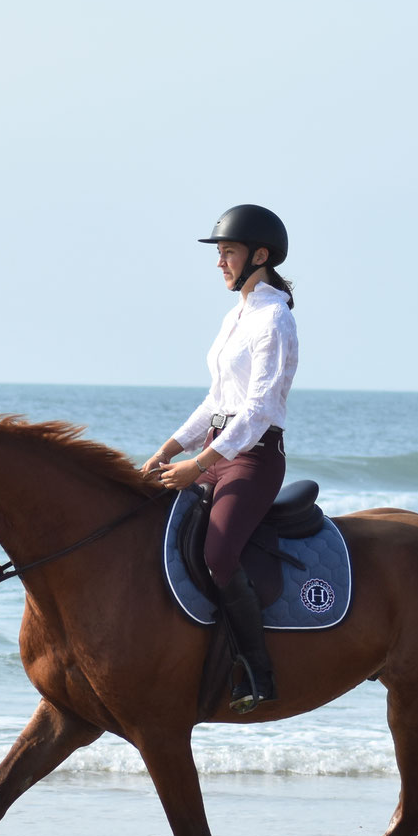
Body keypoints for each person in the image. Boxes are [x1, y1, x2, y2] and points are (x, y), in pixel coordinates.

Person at [143, 204, 300, 713]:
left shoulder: (274, 319)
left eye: (227, 253)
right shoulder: (237, 315)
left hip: (252, 459)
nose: (220, 264)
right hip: (216, 450)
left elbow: (255, 412)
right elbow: (217, 401)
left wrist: (198, 462)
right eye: (220, 254)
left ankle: (257, 670)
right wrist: (169, 449)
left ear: (259, 255)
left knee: (217, 555)